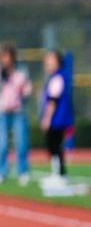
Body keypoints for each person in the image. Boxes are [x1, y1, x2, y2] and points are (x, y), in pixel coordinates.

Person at [0, 44, 32, 187]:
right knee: (2, 145)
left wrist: (23, 90)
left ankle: (23, 172)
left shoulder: (21, 72)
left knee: (21, 144)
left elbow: (27, 90)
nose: (6, 60)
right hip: (1, 112)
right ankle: (1, 172)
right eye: (3, 57)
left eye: (8, 57)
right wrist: (2, 77)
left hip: (18, 112)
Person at [40, 50, 74, 179]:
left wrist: (47, 119)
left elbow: (53, 101)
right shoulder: (60, 77)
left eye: (51, 61)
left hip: (57, 120)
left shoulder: (57, 78)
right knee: (56, 146)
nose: (47, 64)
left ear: (58, 62)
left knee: (54, 146)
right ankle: (59, 173)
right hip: (60, 119)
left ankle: (59, 174)